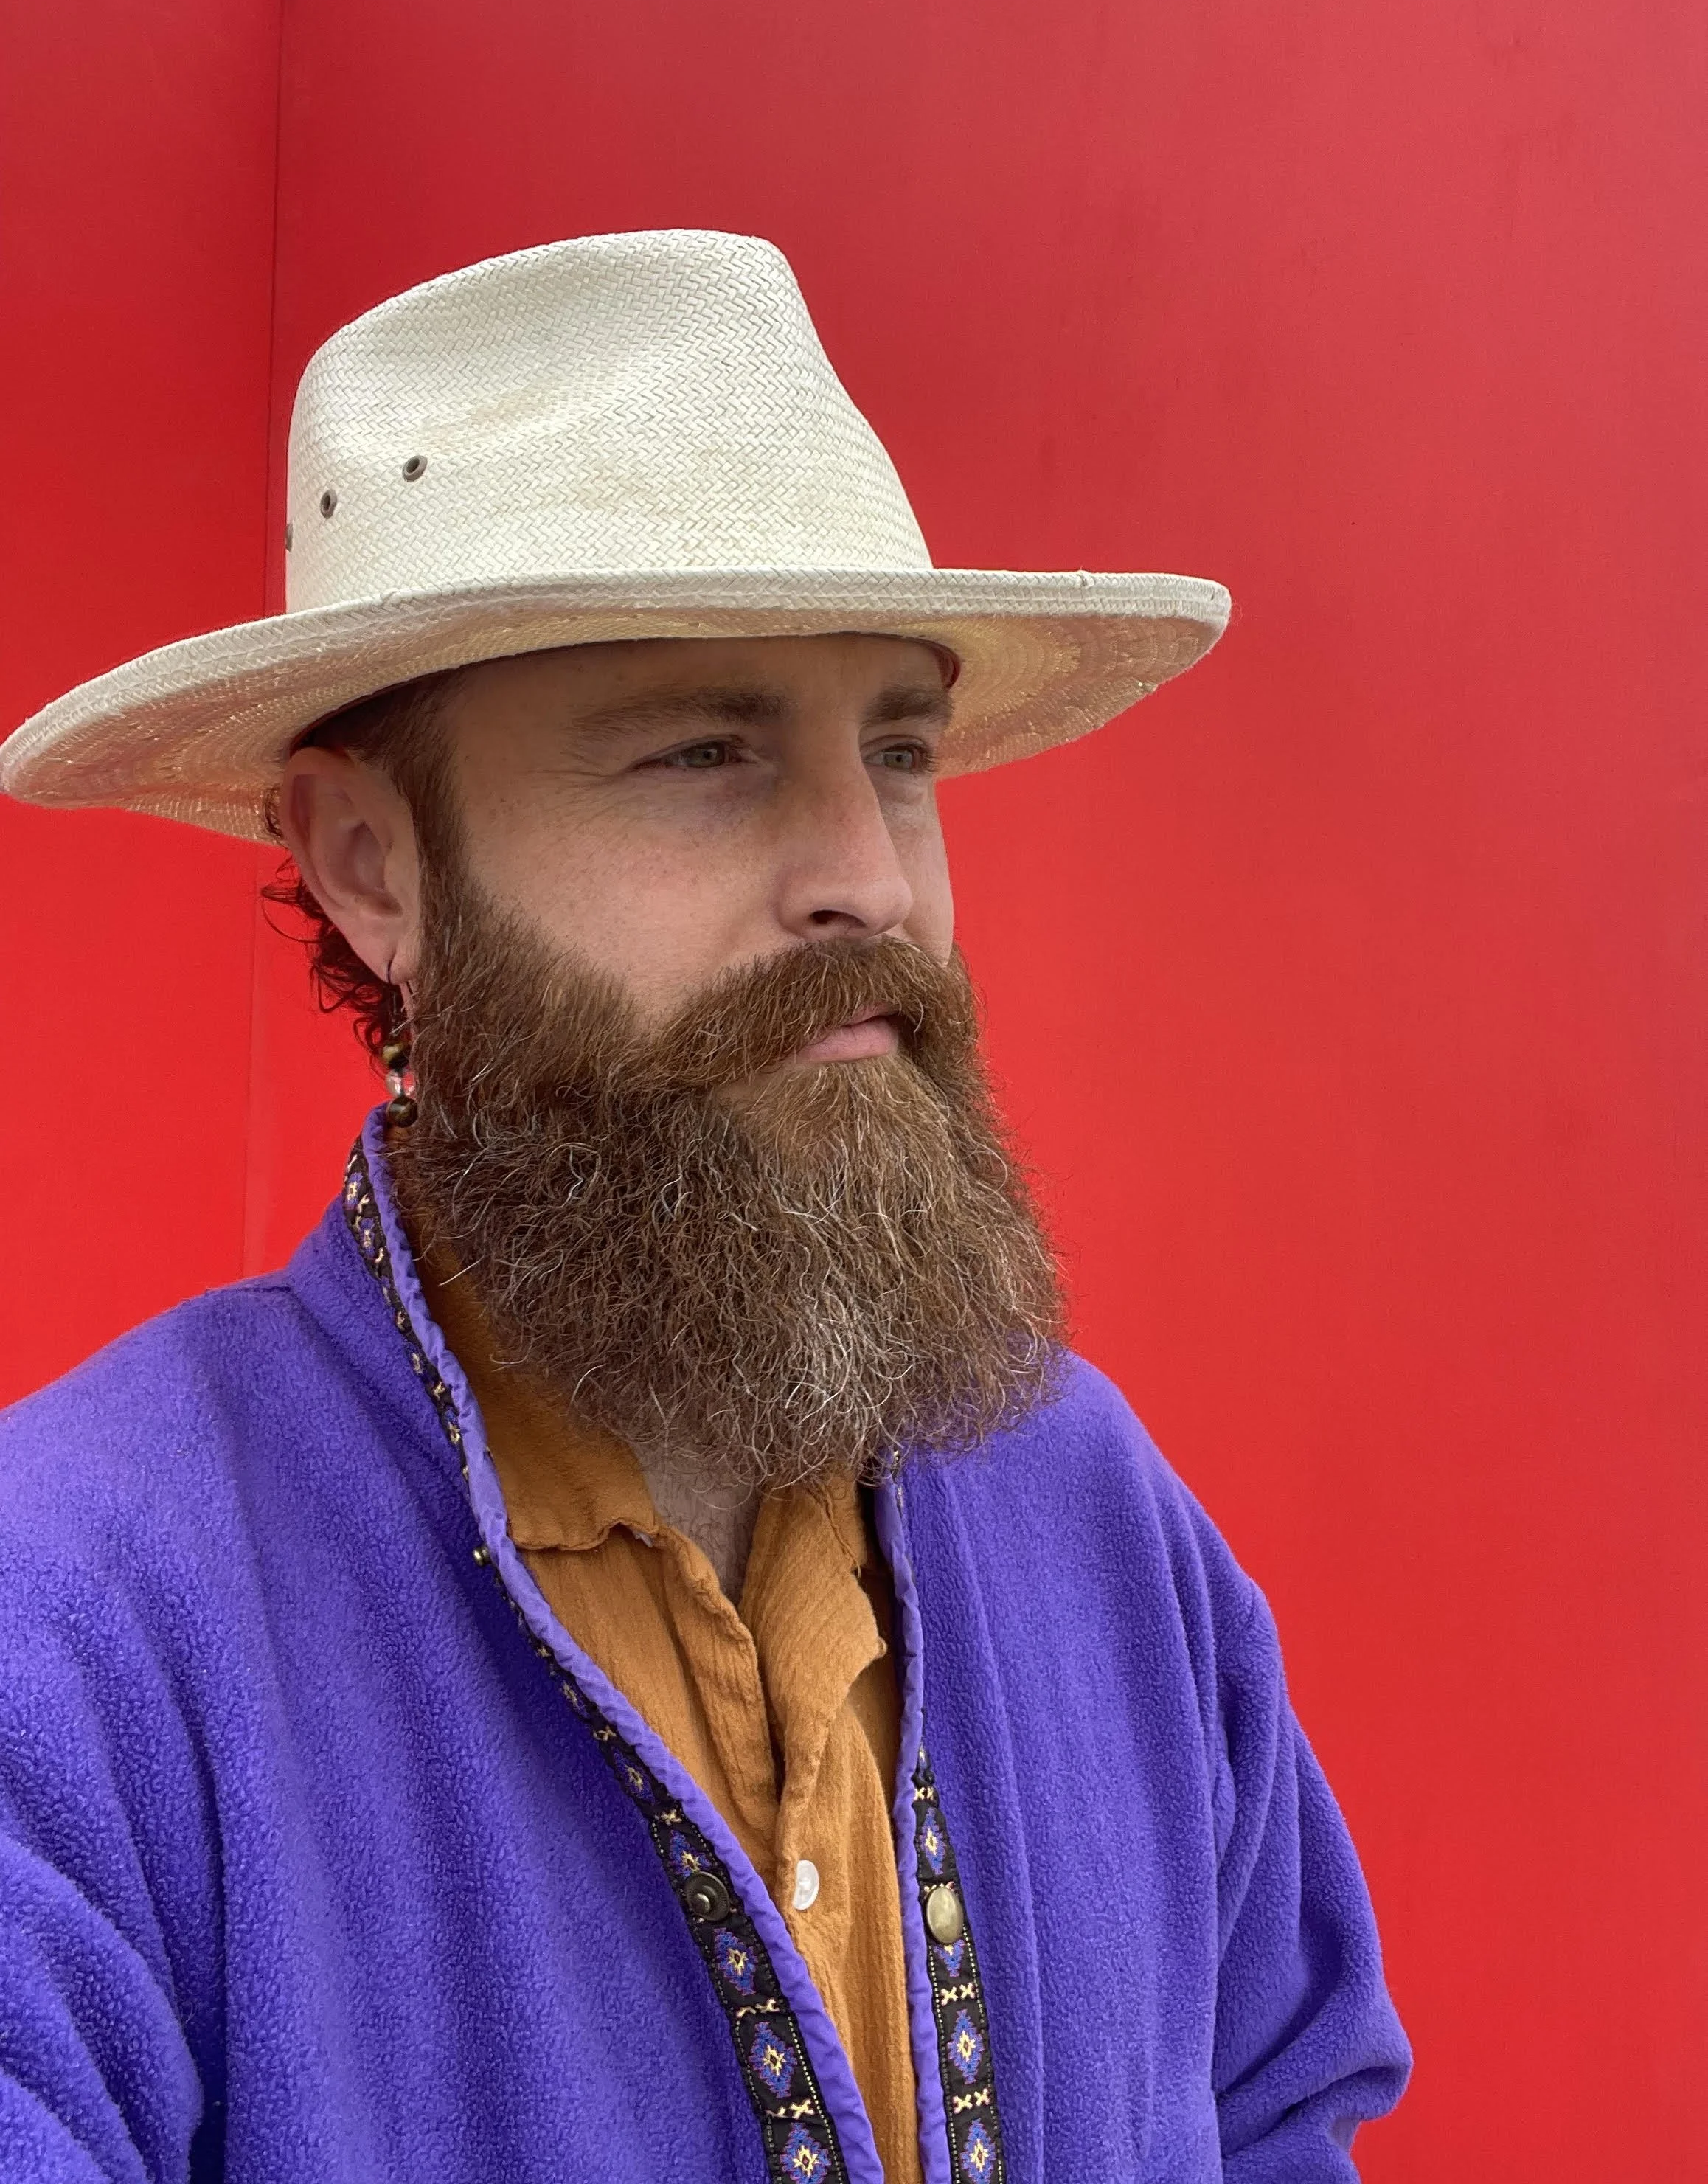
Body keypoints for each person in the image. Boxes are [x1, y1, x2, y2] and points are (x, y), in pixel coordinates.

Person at [0, 231, 1409, 2183]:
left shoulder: (1097, 1518)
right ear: (374, 866)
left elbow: (1276, 2117)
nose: (868, 879)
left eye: (897, 752)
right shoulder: (74, 1629)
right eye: (703, 751)